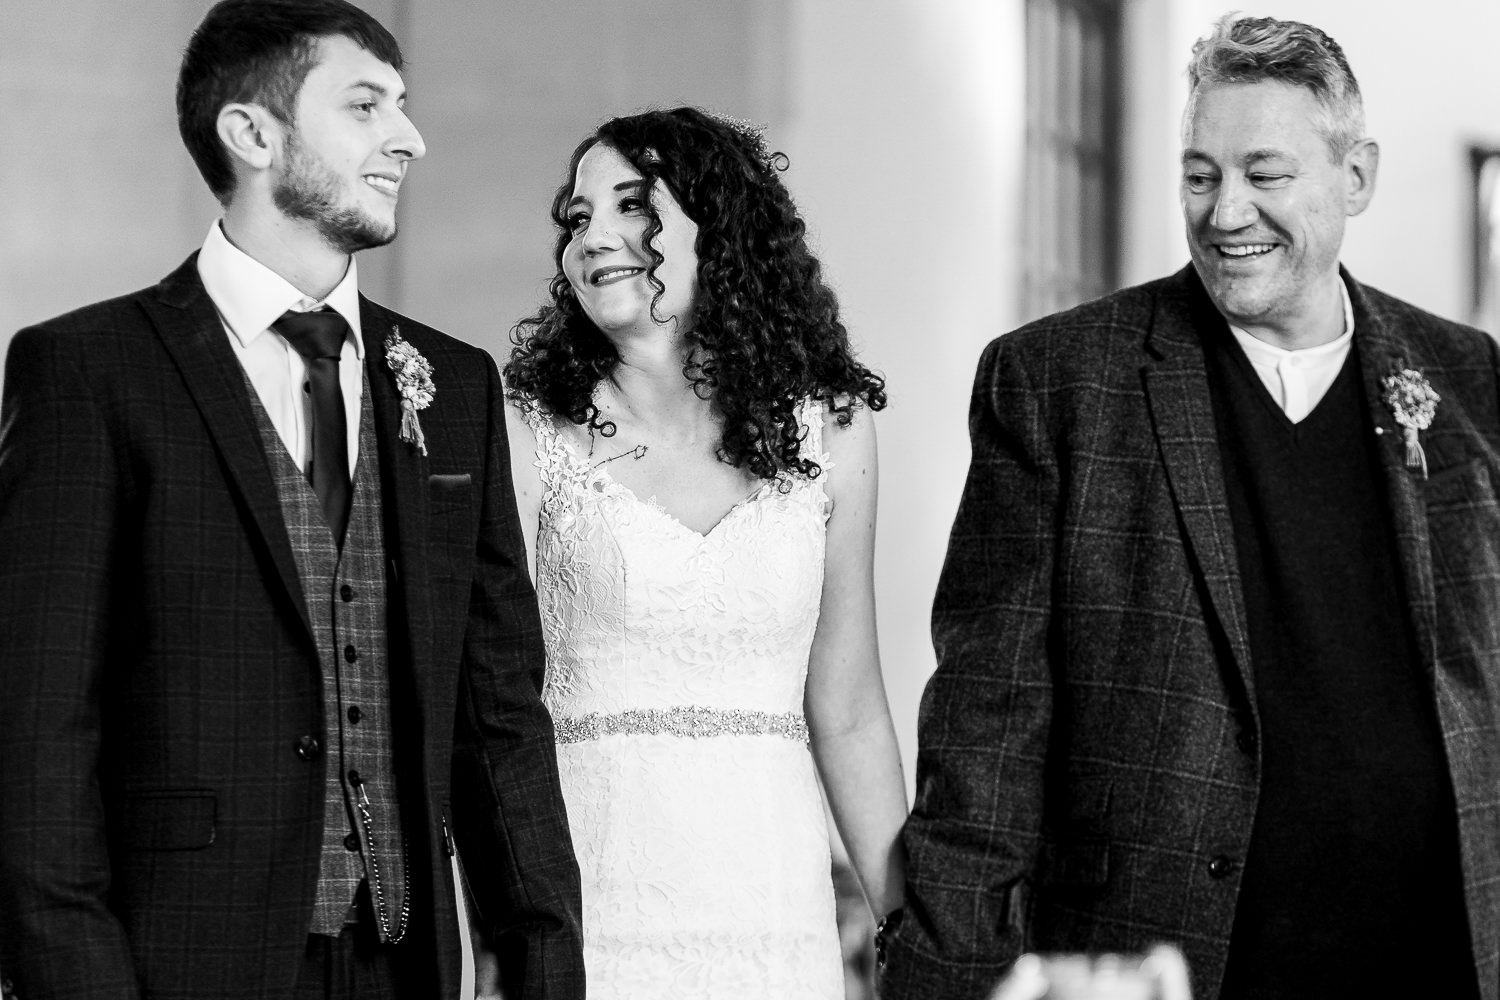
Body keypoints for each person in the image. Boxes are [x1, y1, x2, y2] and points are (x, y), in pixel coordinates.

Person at [883, 14, 1500, 1000]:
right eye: (1201, 175)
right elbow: (984, 740)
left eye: (1265, 174)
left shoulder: (1468, 378)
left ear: (1357, 177)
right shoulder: (1056, 384)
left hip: (1435, 960)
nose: (1225, 213)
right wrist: (946, 978)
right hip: (1169, 961)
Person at [0, 2, 584, 998]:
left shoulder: (453, 384)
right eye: (365, 105)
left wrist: (538, 961)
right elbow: (35, 735)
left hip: (403, 962)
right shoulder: (86, 371)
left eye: (403, 105)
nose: (410, 137)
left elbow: (499, 717)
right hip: (179, 962)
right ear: (253, 132)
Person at [501, 107, 908, 998]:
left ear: (718, 229)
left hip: (770, 908)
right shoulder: (524, 436)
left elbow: (847, 707)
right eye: (577, 218)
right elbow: (488, 708)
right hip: (590, 900)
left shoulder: (833, 431)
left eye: (633, 205)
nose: (594, 236)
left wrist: (911, 930)